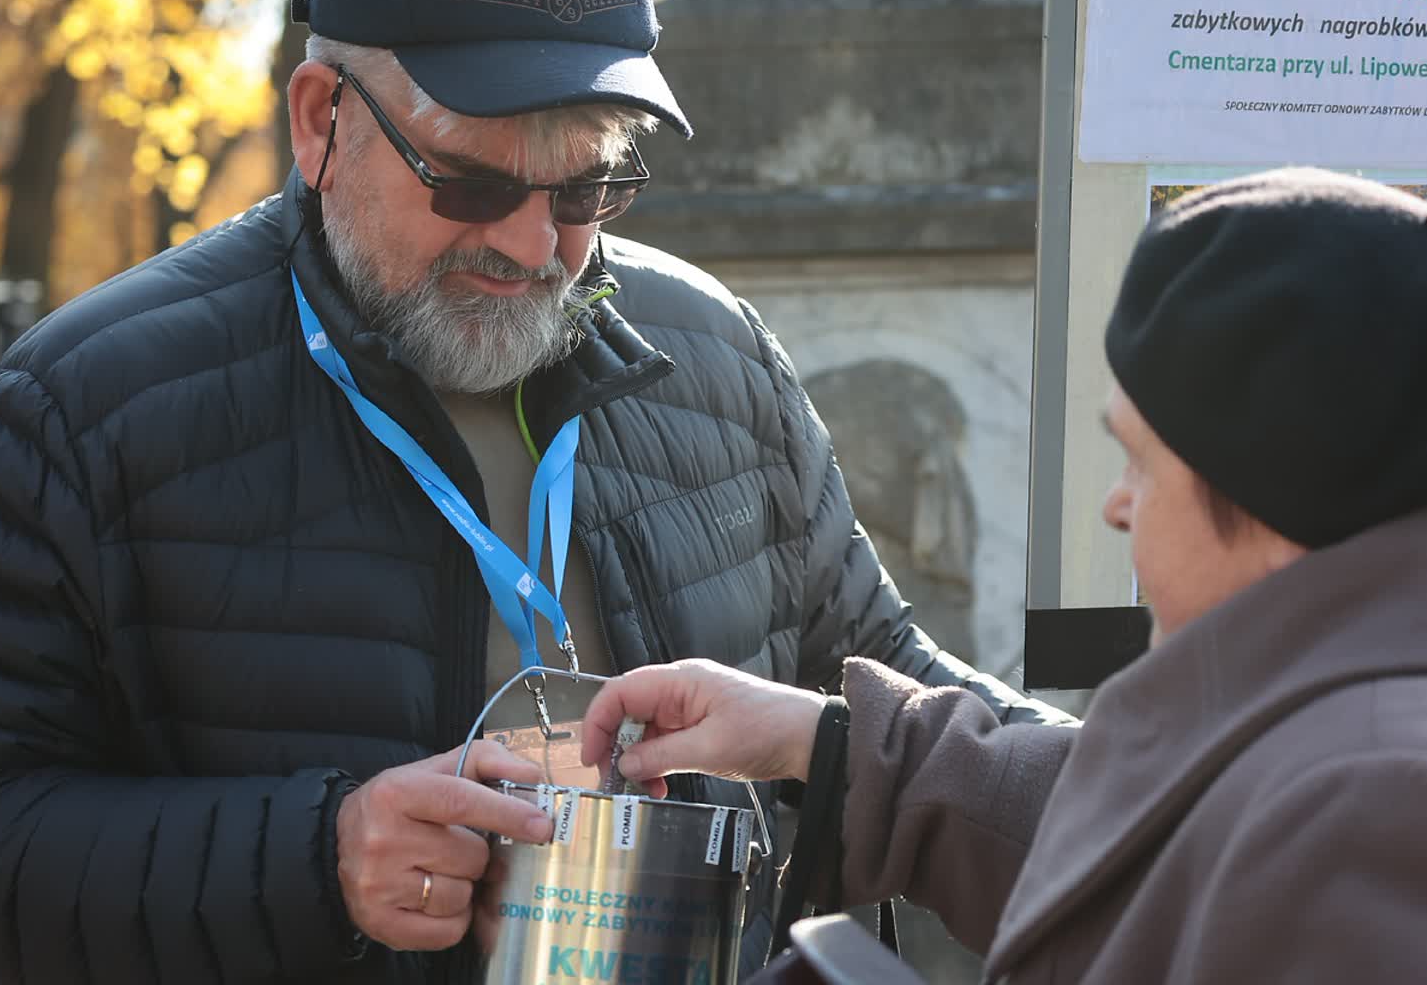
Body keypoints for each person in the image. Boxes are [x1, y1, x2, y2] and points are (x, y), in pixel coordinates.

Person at [0, 0, 1072, 983]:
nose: (528, 244)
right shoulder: (87, 402)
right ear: (321, 121)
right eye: (470, 183)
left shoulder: (719, 358)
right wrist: (315, 854)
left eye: (586, 189)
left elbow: (896, 693)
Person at [583, 167, 1427, 984]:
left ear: (1267, 478)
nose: (1116, 505)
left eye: (1141, 463)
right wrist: (825, 742)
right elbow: (1142, 847)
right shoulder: (1323, 744)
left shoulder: (1370, 813)